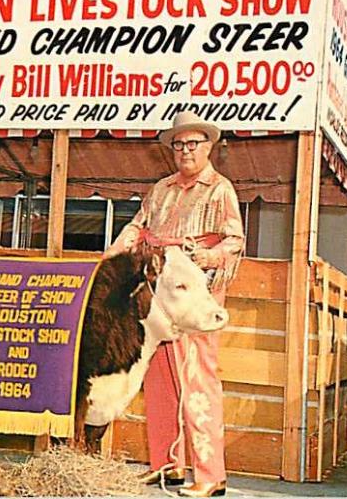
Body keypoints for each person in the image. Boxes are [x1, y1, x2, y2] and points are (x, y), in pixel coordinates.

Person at [103, 111, 244, 497]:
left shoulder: (220, 189)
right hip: (158, 297)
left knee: (197, 379)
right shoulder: (161, 188)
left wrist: (205, 258)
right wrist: (117, 250)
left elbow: (235, 240)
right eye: (178, 144)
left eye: (192, 143)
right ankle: (168, 464)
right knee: (159, 378)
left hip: (194, 297)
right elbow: (139, 224)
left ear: (208, 146)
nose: (185, 151)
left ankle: (211, 474)